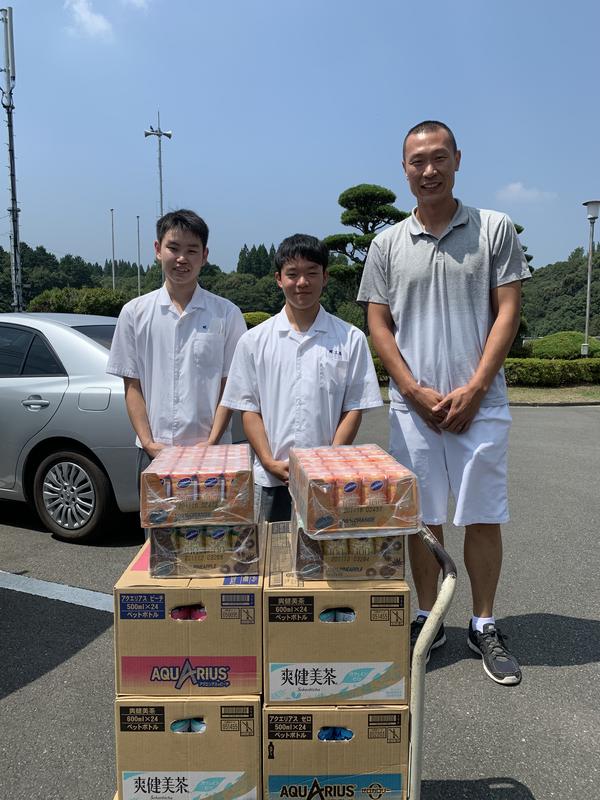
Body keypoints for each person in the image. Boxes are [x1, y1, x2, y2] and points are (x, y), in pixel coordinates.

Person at [358, 121, 530, 686]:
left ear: (457, 159)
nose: (428, 170)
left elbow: (508, 310)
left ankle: (483, 622)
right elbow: (378, 322)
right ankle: (428, 619)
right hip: (415, 408)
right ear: (404, 169)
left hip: (482, 403)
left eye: (439, 158)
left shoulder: (493, 228)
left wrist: (476, 387)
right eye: (417, 161)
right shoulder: (386, 243)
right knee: (421, 518)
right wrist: (410, 389)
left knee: (482, 514)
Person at [221, 233, 383, 522]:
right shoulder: (254, 341)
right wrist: (268, 461)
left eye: (312, 273)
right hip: (272, 478)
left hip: (329, 479)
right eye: (292, 274)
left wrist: (328, 462)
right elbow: (249, 409)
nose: (302, 282)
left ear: (325, 277)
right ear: (278, 279)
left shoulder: (350, 338)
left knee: (324, 549)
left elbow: (354, 407)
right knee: (273, 548)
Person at [107, 209, 247, 484]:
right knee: (153, 515)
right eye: (173, 248)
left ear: (204, 256)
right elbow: (132, 384)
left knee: (214, 515)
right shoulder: (134, 313)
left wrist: (211, 442)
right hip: (154, 453)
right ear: (158, 250)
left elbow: (229, 385)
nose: (182, 258)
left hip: (212, 455)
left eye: (192, 250)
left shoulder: (227, 314)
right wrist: (149, 443)